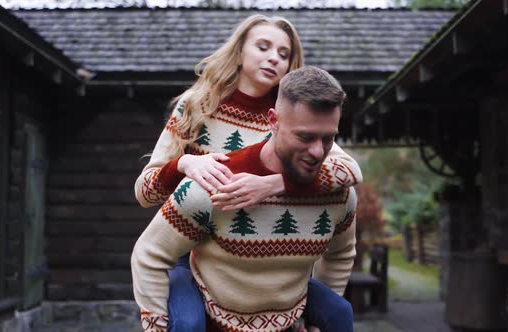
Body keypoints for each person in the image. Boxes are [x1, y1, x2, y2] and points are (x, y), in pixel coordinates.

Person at [133, 15, 362, 331]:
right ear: (239, 51)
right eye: (263, 47)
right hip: (197, 244)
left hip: (273, 252)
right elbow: (145, 192)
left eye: (284, 54)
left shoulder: (296, 121)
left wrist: (274, 184)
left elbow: (348, 170)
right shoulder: (197, 105)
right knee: (187, 322)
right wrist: (185, 165)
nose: (274, 58)